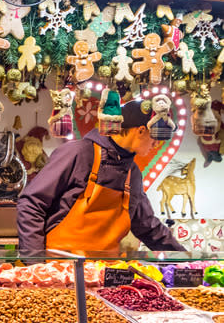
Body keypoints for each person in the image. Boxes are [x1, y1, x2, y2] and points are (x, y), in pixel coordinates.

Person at [17, 100, 184, 253]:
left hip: (104, 273)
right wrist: (35, 262)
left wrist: (188, 261)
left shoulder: (132, 173)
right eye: (156, 138)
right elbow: (31, 203)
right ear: (141, 130)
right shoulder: (78, 153)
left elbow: (147, 226)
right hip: (59, 271)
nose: (157, 144)